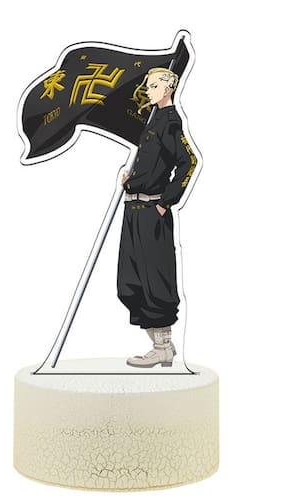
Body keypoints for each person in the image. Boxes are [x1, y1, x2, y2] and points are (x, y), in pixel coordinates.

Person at [117, 67, 197, 368]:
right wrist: (131, 180)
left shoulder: (170, 121)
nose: (148, 91)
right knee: (130, 283)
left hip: (152, 213)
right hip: (133, 210)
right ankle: (162, 345)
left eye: (153, 86)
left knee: (155, 281)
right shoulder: (152, 120)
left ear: (168, 88)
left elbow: (188, 162)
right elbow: (153, 163)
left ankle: (162, 346)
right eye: (148, 86)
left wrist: (165, 202)